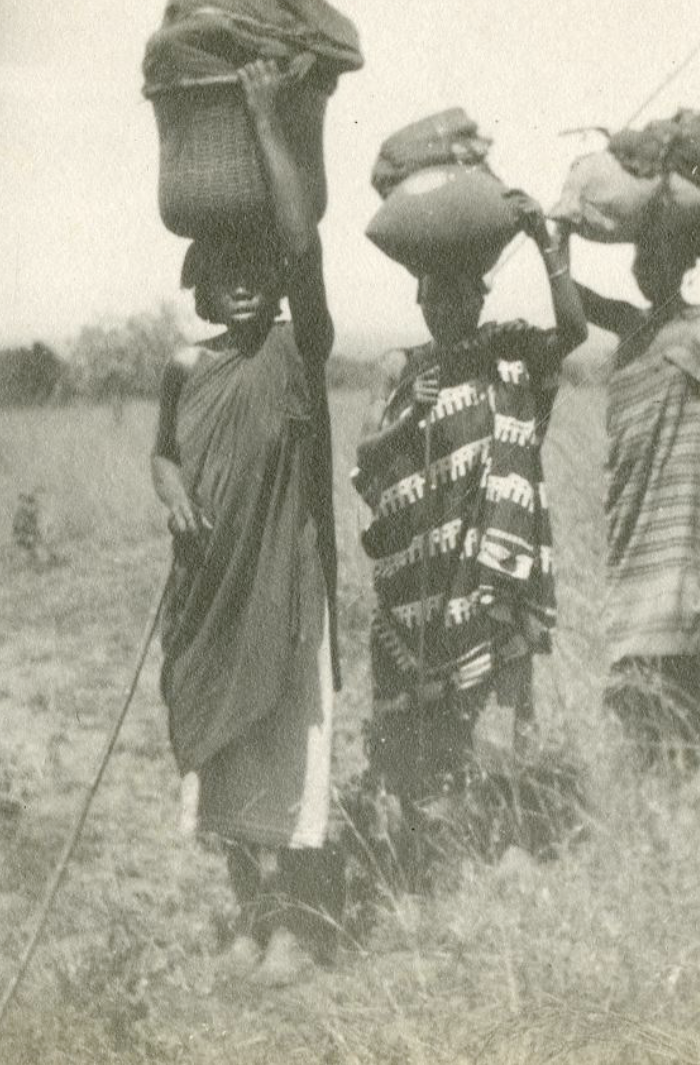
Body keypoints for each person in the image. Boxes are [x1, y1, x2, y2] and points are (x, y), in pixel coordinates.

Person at [151, 60, 340, 983]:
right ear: (201, 284)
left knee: (291, 747)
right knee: (218, 749)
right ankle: (248, 914)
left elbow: (302, 245)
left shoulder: (294, 348)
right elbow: (162, 452)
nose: (246, 288)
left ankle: (296, 927)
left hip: (284, 587)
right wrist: (172, 491)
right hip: (209, 591)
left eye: (259, 272)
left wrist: (266, 117)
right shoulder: (187, 365)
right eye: (226, 274)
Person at [352, 201, 587, 810]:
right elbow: (365, 459)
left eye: (461, 296)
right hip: (414, 577)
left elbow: (575, 331)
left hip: (482, 576)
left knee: (478, 719)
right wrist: (410, 419)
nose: (447, 309)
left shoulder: (505, 354)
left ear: (480, 302)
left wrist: (544, 242)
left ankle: (480, 826)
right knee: (407, 730)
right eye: (435, 296)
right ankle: (412, 830)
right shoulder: (398, 367)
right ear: (418, 300)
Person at [560, 215, 700, 769]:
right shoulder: (631, 326)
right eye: (640, 259)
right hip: (639, 513)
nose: (646, 269)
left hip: (693, 510)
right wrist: (553, 239)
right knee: (642, 639)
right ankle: (655, 758)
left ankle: (699, 761)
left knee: (689, 633)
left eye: (659, 259)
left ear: (685, 266)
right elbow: (570, 301)